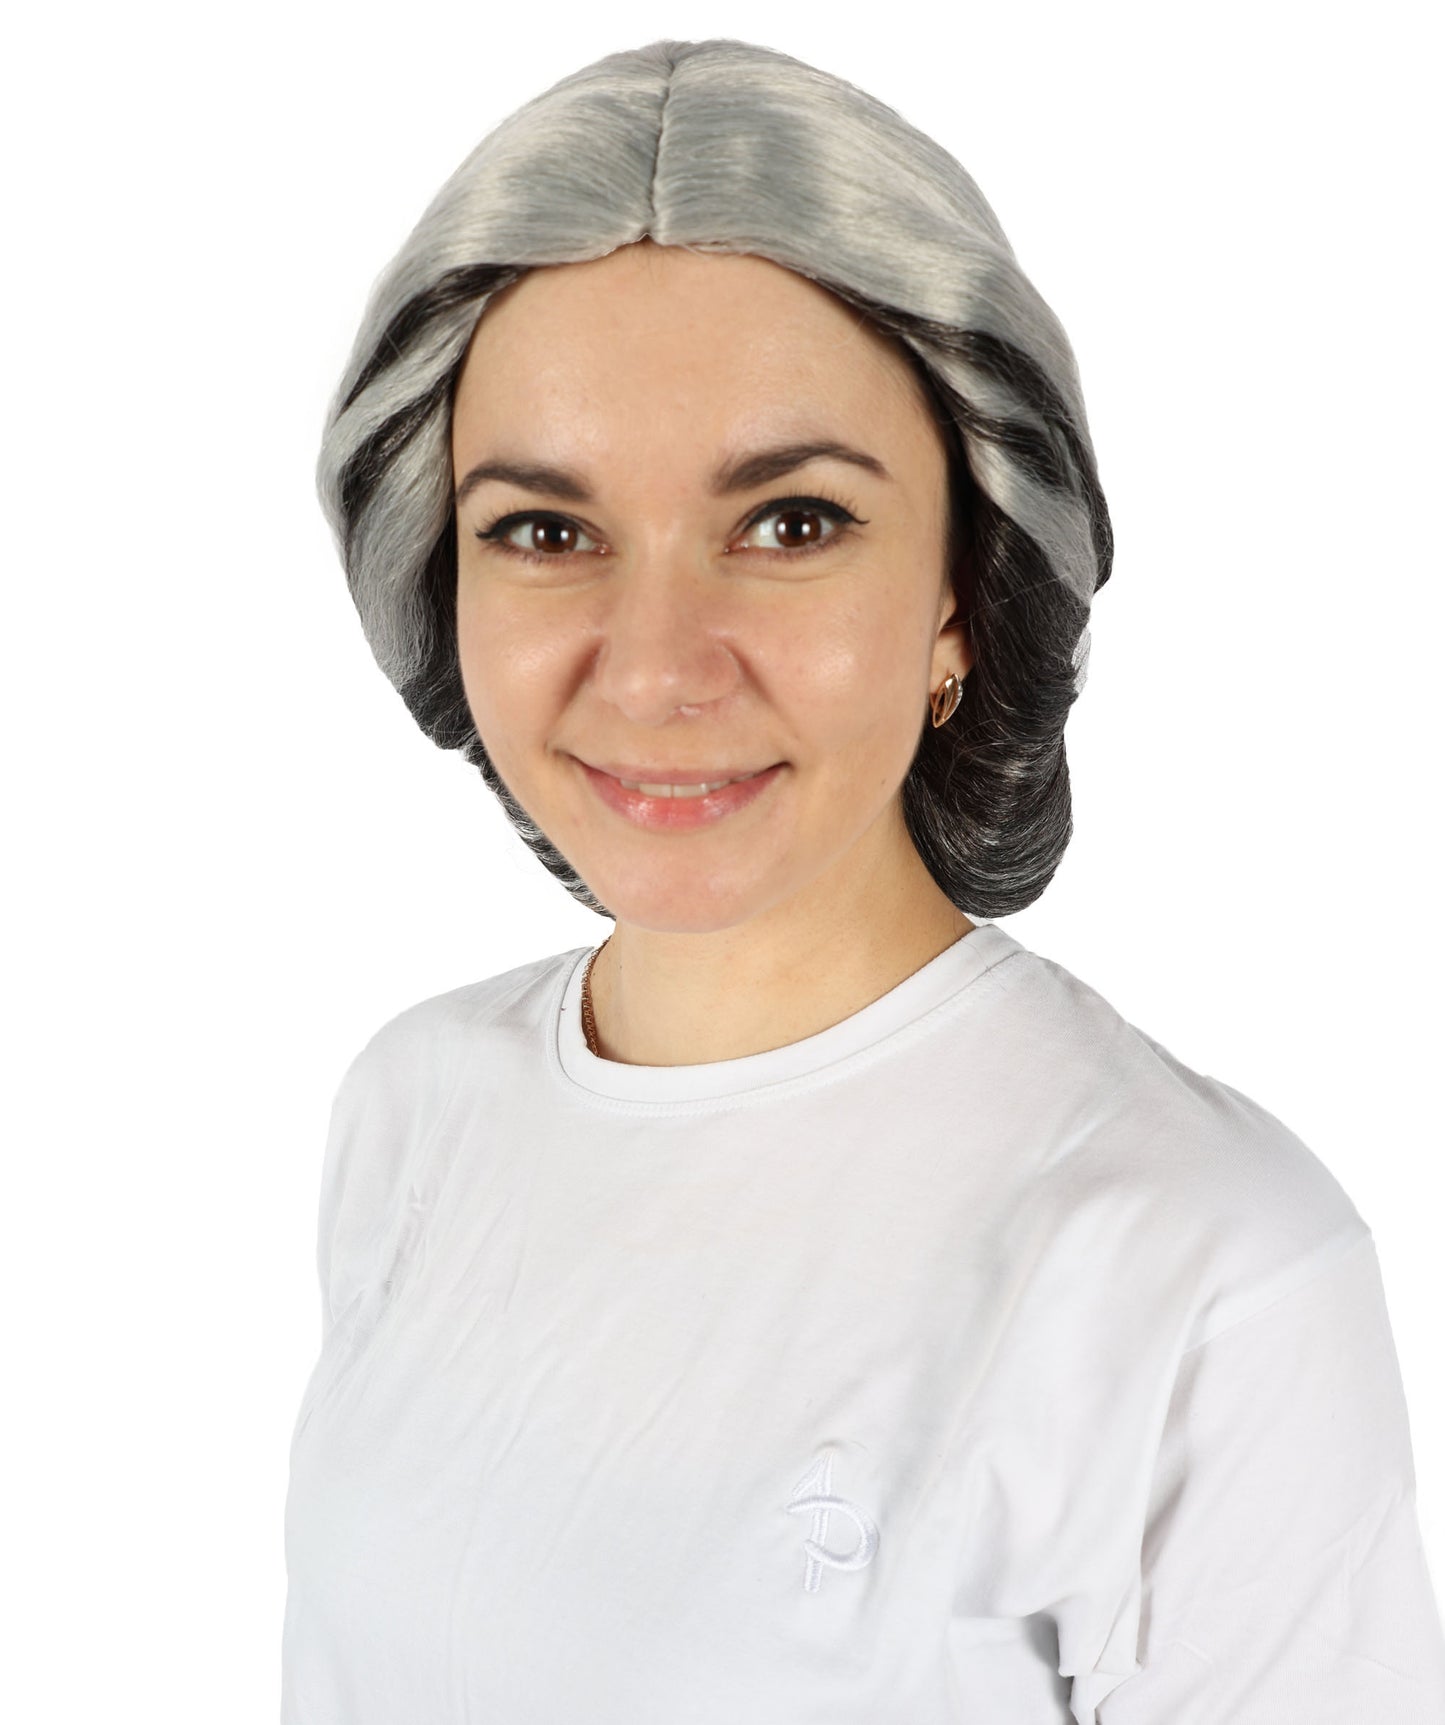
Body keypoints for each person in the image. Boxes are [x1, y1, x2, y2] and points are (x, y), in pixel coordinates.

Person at [281, 37, 1445, 1724]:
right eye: (543, 529)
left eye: (790, 523)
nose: (656, 668)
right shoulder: (411, 1111)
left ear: (962, 589)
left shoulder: (1200, 1262)